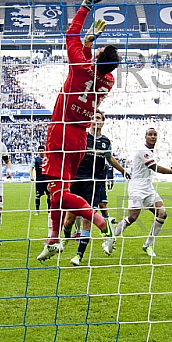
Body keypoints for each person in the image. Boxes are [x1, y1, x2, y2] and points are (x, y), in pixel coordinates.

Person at [36, 0, 120, 262]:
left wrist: (86, 5)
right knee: (56, 192)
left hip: (60, 133)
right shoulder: (108, 81)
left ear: (97, 59)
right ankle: (53, 240)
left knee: (60, 195)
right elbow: (92, 71)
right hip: (80, 139)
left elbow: (70, 33)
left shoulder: (81, 68)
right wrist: (88, 46)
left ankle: (102, 223)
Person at [103, 128, 172, 258]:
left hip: (148, 188)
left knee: (162, 213)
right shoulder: (142, 151)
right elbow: (155, 167)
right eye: (150, 134)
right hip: (137, 188)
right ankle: (111, 237)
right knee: (132, 217)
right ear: (145, 137)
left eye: (155, 135)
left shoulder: (150, 152)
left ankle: (148, 245)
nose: (152, 137)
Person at [62, 111, 129, 266]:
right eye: (93, 118)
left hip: (94, 184)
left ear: (103, 122)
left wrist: (122, 170)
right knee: (69, 219)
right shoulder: (83, 137)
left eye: (98, 118)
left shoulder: (105, 141)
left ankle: (79, 255)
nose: (95, 120)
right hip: (78, 182)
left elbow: (109, 158)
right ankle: (65, 238)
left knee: (88, 218)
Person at [31, 145, 50, 217]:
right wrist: (31, 176)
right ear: (38, 151)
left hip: (47, 180)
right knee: (38, 196)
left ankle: (49, 211)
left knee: (49, 196)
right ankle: (37, 211)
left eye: (42, 151)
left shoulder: (48, 159)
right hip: (39, 181)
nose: (41, 152)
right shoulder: (35, 159)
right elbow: (31, 168)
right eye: (40, 151)